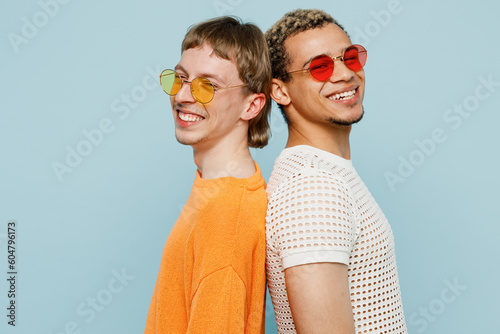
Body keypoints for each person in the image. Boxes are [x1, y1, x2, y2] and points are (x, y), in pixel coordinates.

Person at [264, 9, 407, 333]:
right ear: (280, 91)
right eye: (320, 66)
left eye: (350, 57)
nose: (344, 74)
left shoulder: (325, 174)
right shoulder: (312, 188)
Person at [144, 16, 271, 333]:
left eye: (208, 86)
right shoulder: (216, 188)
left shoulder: (226, 215)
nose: (183, 96)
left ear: (251, 106)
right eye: (181, 78)